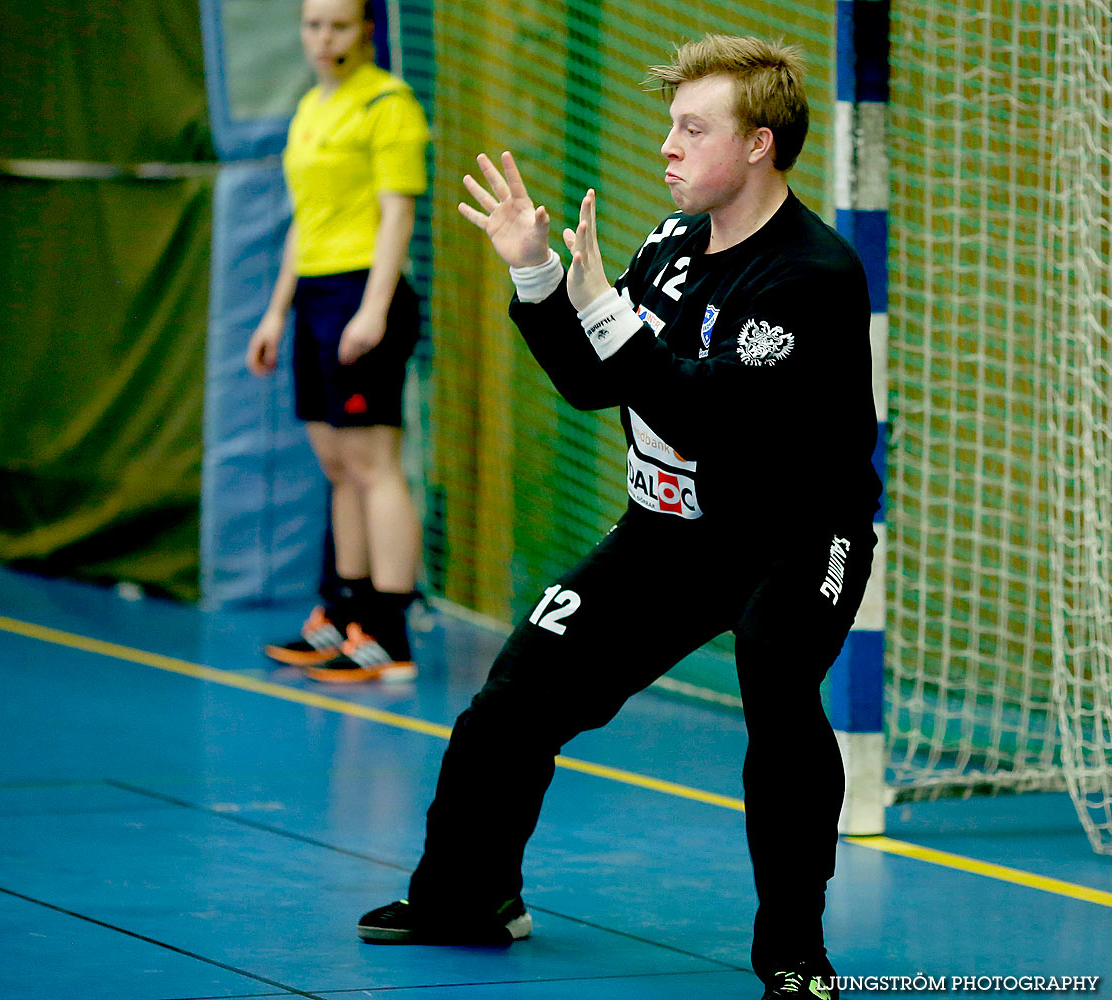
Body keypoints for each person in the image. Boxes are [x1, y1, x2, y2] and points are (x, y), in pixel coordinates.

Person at [354, 35, 881, 1000]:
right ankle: (467, 898)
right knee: (511, 700)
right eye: (668, 127)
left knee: (774, 676)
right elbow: (595, 379)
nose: (668, 147)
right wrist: (535, 278)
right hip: (670, 534)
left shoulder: (811, 274)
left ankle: (795, 956)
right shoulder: (674, 244)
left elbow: (704, 414)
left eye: (692, 128)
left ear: (760, 145)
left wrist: (601, 311)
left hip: (797, 534)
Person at [247, 0, 429, 684]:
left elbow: (395, 212)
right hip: (316, 296)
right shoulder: (309, 108)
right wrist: (275, 313)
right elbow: (306, 220)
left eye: (338, 25)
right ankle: (346, 614)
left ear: (366, 31)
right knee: (336, 464)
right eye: (311, 25)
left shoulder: (387, 103)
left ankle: (389, 633)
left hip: (362, 293)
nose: (323, 39)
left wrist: (374, 308)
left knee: (373, 462)